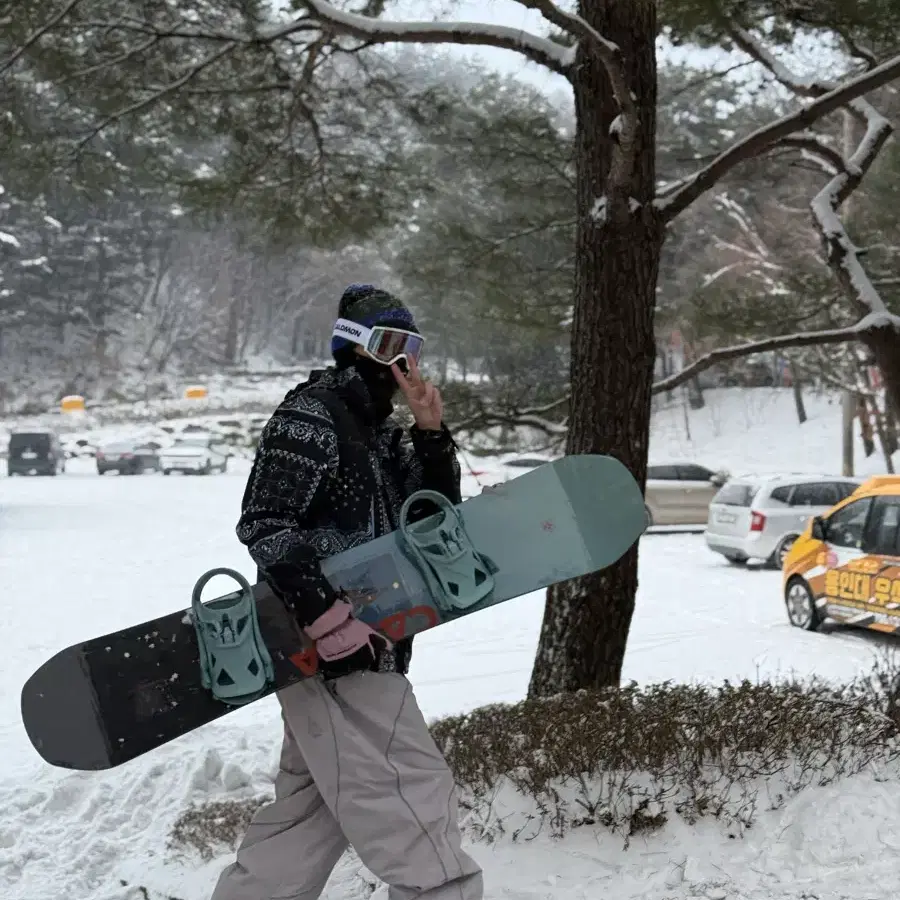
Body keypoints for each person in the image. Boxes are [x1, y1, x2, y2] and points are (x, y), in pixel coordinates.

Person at [211, 284, 484, 900]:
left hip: (373, 641)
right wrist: (331, 623)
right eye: (389, 344)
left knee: (310, 813)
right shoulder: (310, 415)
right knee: (411, 791)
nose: (401, 361)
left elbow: (433, 518)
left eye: (410, 346)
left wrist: (431, 432)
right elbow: (265, 525)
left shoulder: (381, 432)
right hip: (331, 648)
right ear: (353, 345)